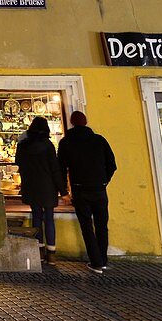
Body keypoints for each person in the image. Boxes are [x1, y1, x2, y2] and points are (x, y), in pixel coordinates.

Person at [58, 111, 117, 274]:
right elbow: (112, 164)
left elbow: (61, 168)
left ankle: (96, 261)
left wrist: (64, 191)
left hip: (80, 189)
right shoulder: (99, 140)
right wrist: (104, 180)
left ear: (71, 123)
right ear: (86, 122)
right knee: (101, 225)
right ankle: (103, 259)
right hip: (99, 189)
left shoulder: (66, 142)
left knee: (86, 226)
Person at [15, 116, 65, 263]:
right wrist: (63, 191)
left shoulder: (24, 145)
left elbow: (18, 162)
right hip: (48, 186)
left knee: (36, 217)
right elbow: (55, 170)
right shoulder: (48, 145)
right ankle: (52, 253)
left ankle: (39, 250)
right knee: (49, 217)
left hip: (31, 186)